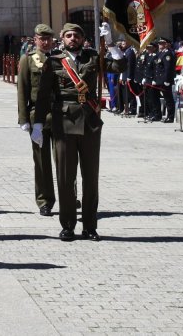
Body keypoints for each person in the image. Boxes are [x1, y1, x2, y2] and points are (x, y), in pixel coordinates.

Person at [35, 23, 115, 242]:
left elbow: (118, 66)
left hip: (89, 122)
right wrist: (37, 124)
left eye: (77, 35)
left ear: (83, 38)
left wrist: (110, 44)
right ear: (62, 38)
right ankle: (68, 225)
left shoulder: (93, 57)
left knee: (91, 178)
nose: (73, 39)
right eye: (69, 35)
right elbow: (43, 94)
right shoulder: (53, 61)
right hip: (63, 122)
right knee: (65, 178)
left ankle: (89, 226)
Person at [16, 24, 56, 217]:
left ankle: (69, 197)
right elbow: (22, 90)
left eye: (49, 38)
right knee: (42, 162)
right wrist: (23, 118)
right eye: (42, 38)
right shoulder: (28, 60)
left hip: (60, 116)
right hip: (37, 117)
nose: (46, 42)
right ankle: (44, 200)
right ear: (36, 39)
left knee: (67, 161)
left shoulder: (60, 59)